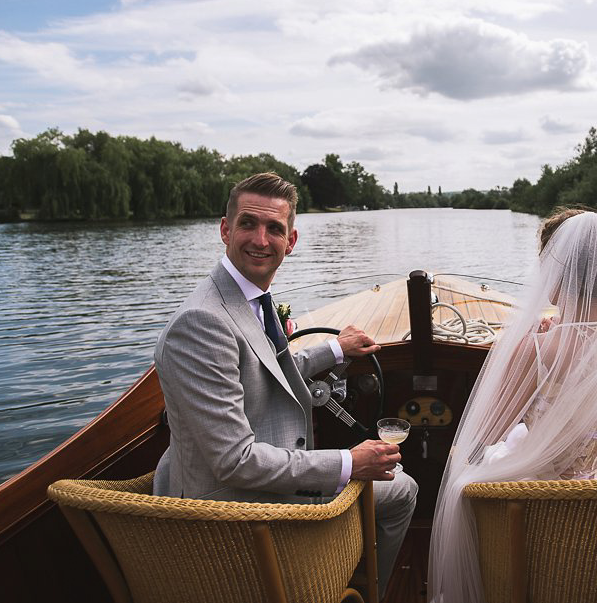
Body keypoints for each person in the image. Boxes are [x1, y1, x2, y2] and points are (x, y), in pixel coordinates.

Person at [153, 172, 417, 598]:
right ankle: (364, 592)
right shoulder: (201, 323)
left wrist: (335, 350)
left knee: (392, 477)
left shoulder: (248, 295)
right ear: (225, 229)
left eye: (274, 228)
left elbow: (268, 367)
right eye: (247, 224)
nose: (260, 239)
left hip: (250, 482)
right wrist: (349, 462)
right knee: (403, 489)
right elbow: (234, 462)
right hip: (231, 512)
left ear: (290, 241)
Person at [428, 207, 597, 602]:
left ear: (556, 271)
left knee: (463, 468)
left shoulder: (537, 348)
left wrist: (533, 343)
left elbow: (486, 434)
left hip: (542, 512)